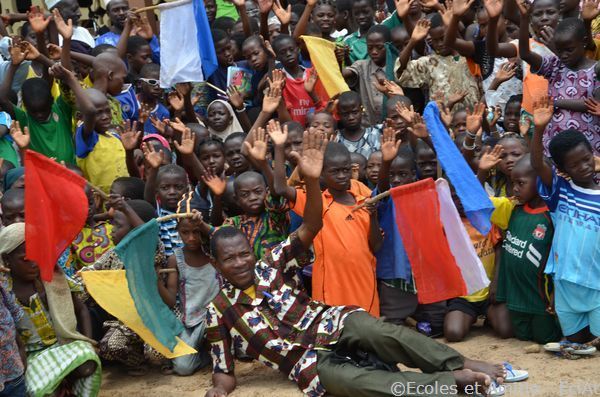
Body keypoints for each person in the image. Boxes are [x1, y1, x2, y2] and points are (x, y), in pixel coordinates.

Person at [204, 129, 506, 397]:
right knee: (363, 384)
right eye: (230, 258)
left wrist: (310, 178)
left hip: (331, 322)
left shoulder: (269, 264)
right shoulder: (218, 310)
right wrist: (219, 388)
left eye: (244, 253)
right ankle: (452, 382)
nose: (241, 262)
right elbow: (223, 368)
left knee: (383, 333)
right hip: (307, 362)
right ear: (216, 265)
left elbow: (309, 228)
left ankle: (462, 362)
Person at [274, 126, 382, 315]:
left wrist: (372, 217)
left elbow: (376, 245)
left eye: (346, 170)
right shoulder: (318, 202)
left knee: (367, 335)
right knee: (335, 337)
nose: (342, 176)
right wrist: (279, 147)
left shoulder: (362, 194)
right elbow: (281, 189)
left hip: (365, 282)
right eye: (335, 171)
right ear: (322, 173)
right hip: (332, 286)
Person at [0, 223, 102, 397]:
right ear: (7, 260)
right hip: (30, 355)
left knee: (88, 363)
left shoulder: (53, 277)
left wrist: (88, 342)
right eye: (25, 259)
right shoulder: (5, 291)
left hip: (61, 343)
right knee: (39, 391)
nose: (34, 264)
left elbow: (82, 310)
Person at [530, 95, 600, 343]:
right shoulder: (562, 192)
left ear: (594, 154)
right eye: (574, 164)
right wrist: (539, 130)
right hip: (565, 285)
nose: (583, 167)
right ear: (562, 170)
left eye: (586, 159)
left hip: (597, 287)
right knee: (576, 343)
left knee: (595, 345)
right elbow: (537, 165)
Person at [520, 16, 600, 157]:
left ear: (584, 42)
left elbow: (593, 105)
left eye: (569, 49)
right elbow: (525, 54)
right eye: (559, 50)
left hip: (588, 144)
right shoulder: (554, 66)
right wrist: (524, 19)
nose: (563, 55)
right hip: (555, 142)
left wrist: (556, 102)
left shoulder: (596, 70)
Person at [167, 205, 219, 376]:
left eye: (196, 232)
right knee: (183, 368)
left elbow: (219, 233)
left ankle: (218, 350)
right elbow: (169, 298)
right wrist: (155, 279)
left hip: (218, 316)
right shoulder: (176, 259)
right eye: (185, 232)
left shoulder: (214, 253)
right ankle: (206, 356)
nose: (191, 238)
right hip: (191, 321)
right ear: (178, 232)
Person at [335, 91, 381, 158]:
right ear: (339, 115)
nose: (351, 117)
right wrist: (327, 112)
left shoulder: (376, 133)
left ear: (361, 110)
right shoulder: (336, 139)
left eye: (355, 112)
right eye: (345, 114)